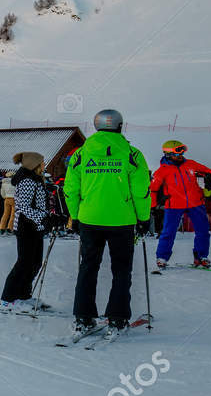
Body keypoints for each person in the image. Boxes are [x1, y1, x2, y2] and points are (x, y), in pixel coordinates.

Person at [63, 109, 150, 334]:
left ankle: (83, 316)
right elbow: (141, 191)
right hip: (121, 221)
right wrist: (144, 218)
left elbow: (70, 190)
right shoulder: (132, 155)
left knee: (88, 267)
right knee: (121, 269)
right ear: (120, 126)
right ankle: (118, 318)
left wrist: (76, 216)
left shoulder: (81, 155)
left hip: (90, 219)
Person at [0, 152, 52, 310]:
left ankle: (23, 295)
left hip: (35, 227)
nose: (44, 165)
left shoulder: (36, 179)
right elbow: (24, 206)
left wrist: (46, 216)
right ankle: (8, 298)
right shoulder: (27, 180)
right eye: (42, 162)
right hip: (26, 227)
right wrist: (42, 217)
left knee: (34, 263)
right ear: (34, 164)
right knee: (24, 263)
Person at [150, 140, 211, 269]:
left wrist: (208, 176)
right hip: (174, 205)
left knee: (203, 231)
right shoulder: (162, 171)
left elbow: (207, 171)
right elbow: (153, 189)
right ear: (168, 154)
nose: (181, 155)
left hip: (195, 203)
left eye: (182, 152)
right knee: (168, 232)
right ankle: (162, 257)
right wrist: (153, 206)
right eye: (177, 153)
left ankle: (201, 256)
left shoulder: (190, 164)